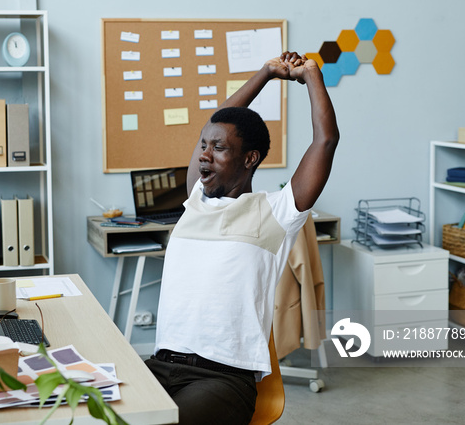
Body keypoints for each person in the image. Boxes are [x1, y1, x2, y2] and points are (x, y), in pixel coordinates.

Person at [144, 51, 339, 424]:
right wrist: (265, 73)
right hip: (160, 366)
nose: (205, 156)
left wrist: (310, 73)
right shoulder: (196, 199)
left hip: (222, 378)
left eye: (218, 149)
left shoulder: (276, 212)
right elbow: (218, 122)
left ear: (250, 159)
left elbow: (325, 141)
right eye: (204, 145)